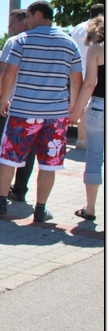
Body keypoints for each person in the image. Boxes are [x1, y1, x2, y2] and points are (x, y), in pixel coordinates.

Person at [0, 1, 82, 223]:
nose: (26, 21)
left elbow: (10, 72)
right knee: (49, 163)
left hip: (23, 111)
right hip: (56, 115)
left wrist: (4, 99)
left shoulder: (22, 41)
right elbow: (76, 79)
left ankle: (1, 202)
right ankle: (40, 209)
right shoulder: (69, 43)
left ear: (39, 15)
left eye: (28, 16)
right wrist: (73, 108)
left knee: (8, 157)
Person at [0, 9, 35, 203]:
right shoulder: (39, 42)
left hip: (11, 103)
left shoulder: (14, 42)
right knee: (28, 151)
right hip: (33, 105)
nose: (10, 26)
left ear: (25, 21)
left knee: (3, 148)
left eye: (13, 22)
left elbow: (3, 71)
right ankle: (20, 191)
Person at [69, 14, 104, 221]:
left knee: (94, 159)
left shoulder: (96, 50)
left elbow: (90, 83)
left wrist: (76, 112)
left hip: (99, 108)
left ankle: (90, 209)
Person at [70, 3, 106, 150]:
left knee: (83, 105)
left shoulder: (78, 28)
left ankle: (81, 139)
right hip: (98, 70)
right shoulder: (100, 30)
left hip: (80, 69)